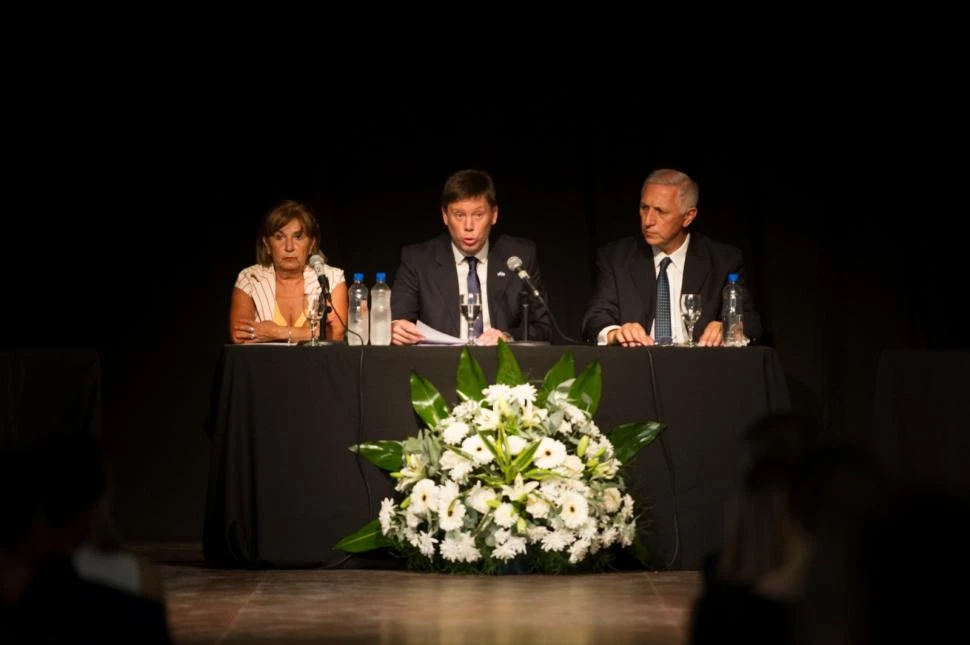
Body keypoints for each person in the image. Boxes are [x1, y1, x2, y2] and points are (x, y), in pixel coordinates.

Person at [581, 169, 761, 347]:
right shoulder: (616, 258)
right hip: (639, 361)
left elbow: (751, 322)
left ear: (688, 217)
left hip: (701, 362)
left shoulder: (723, 261)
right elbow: (595, 318)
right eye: (644, 208)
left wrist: (730, 327)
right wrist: (615, 333)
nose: (648, 221)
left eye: (660, 211)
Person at [390, 169, 553, 346]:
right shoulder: (418, 260)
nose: (469, 226)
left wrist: (507, 337)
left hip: (500, 360)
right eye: (459, 215)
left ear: (494, 215)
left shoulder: (519, 257)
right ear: (445, 216)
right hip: (439, 361)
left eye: (478, 215)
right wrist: (396, 328)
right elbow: (398, 319)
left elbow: (542, 327)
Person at [229, 200, 348, 344]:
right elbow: (240, 336)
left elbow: (335, 335)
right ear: (267, 245)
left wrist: (275, 332)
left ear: (311, 245)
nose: (289, 247)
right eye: (279, 237)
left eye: (298, 237)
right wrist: (308, 333)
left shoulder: (331, 278)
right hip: (264, 359)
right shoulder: (250, 279)